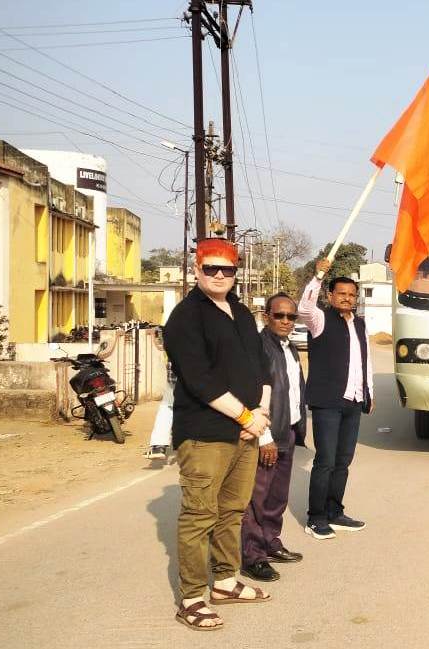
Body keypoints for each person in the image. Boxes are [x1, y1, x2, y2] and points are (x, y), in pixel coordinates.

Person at [163, 237, 273, 631]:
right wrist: (246, 416)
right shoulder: (185, 317)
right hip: (204, 433)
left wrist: (260, 415)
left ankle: (226, 580)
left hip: (246, 431)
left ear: (236, 272)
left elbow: (261, 367)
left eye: (227, 269)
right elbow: (200, 380)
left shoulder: (241, 312)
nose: (219, 275)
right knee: (199, 515)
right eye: (211, 268)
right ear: (197, 270)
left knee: (232, 510)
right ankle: (192, 597)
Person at [298, 259, 375, 540]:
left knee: (343, 461)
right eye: (341, 293)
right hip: (327, 402)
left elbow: (365, 360)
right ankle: (316, 517)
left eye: (352, 295)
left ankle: (334, 511)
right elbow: (304, 308)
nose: (347, 298)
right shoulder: (319, 320)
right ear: (330, 296)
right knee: (326, 461)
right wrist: (318, 276)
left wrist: (369, 391)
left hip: (353, 401)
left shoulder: (360, 324)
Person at [240, 293, 308, 582]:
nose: (285, 321)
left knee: (277, 496)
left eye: (291, 316)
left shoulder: (289, 347)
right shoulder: (259, 347)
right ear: (266, 316)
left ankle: (271, 542)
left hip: (287, 430)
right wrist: (264, 436)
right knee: (258, 497)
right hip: (267, 434)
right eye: (279, 315)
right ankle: (252, 556)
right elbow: (254, 394)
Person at [144, 327, 173, 460]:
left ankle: (158, 445)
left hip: (176, 380)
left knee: (167, 408)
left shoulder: (175, 327)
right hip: (205, 380)